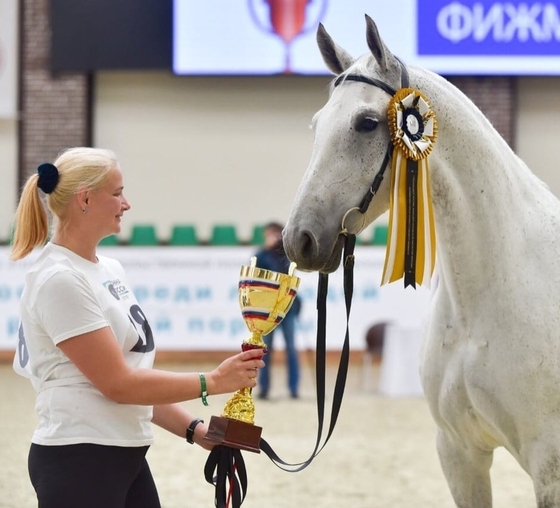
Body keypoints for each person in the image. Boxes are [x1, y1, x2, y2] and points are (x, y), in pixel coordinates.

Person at [10, 147, 264, 508]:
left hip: (121, 454)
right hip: (79, 458)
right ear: (84, 199)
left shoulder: (109, 269)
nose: (126, 204)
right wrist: (214, 381)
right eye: (116, 193)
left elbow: (133, 380)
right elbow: (119, 384)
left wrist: (195, 430)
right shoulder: (59, 279)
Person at [254, 222, 301, 400]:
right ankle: (264, 389)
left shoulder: (288, 257)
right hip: (267, 312)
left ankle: (294, 388)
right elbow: (255, 275)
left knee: (291, 349)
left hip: (287, 309)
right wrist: (266, 251)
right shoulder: (260, 255)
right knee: (265, 351)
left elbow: (289, 276)